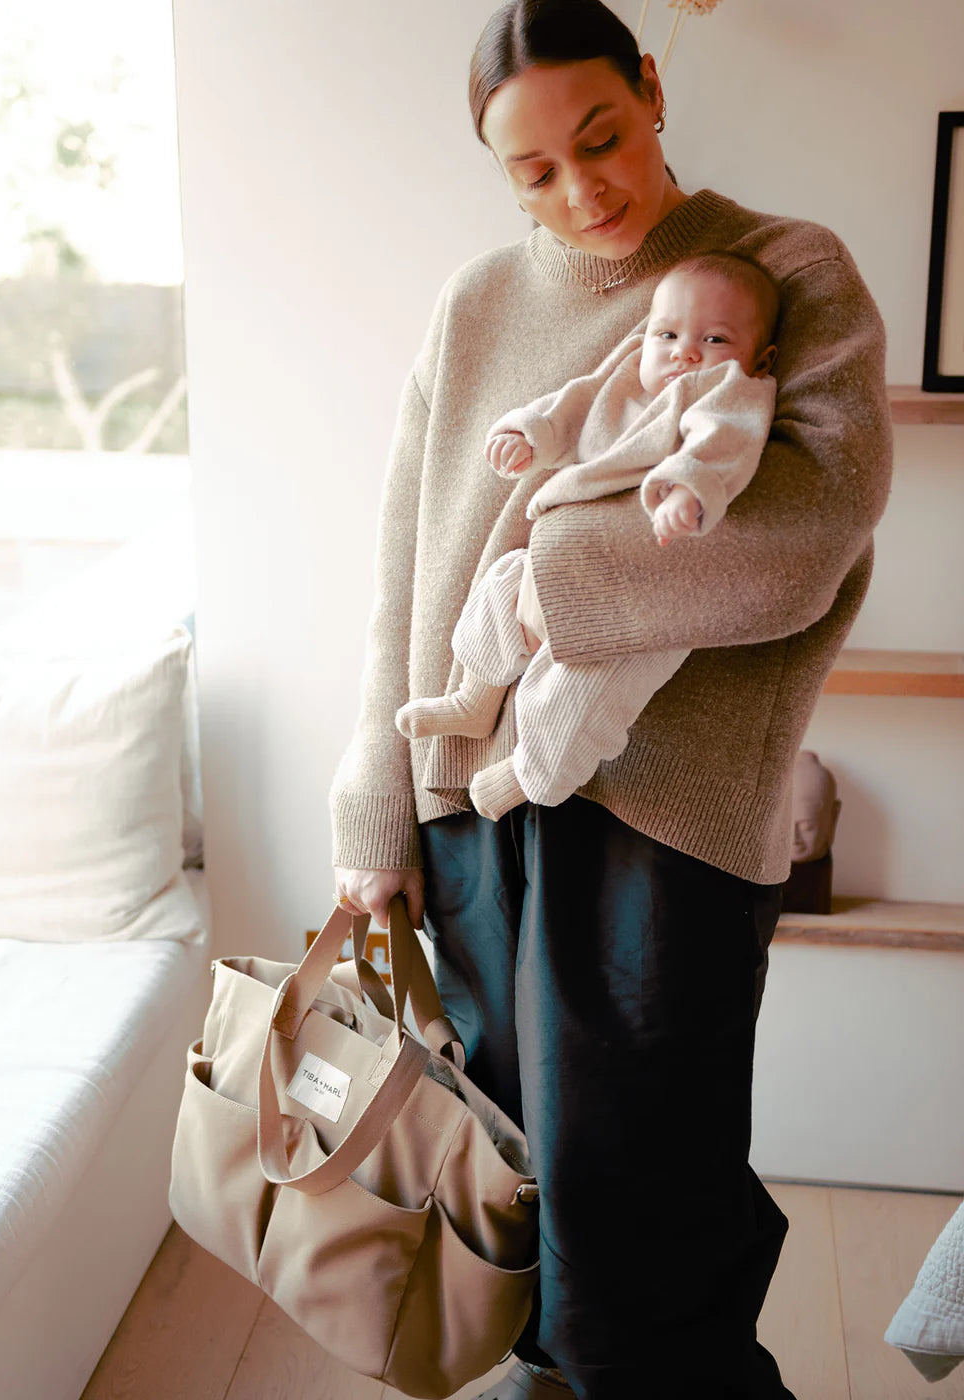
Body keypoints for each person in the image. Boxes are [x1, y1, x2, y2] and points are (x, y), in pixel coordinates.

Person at [329, 2, 892, 1396]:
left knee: (643, 1219)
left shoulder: (784, 270)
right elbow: (407, 565)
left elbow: (805, 534)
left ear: (650, 88)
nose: (583, 191)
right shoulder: (475, 304)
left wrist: (549, 578)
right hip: (472, 803)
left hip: (667, 809)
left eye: (601, 139)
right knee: (515, 1185)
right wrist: (374, 803)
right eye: (534, 171)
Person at [394, 250, 779, 822]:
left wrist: (687, 489)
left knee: (583, 693)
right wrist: (531, 434)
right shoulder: (626, 380)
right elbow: (574, 405)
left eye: (715, 338)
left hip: (641, 603)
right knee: (500, 584)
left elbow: (724, 442)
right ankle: (475, 697)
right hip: (552, 563)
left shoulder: (729, 391)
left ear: (759, 358)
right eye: (667, 334)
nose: (685, 351)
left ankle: (531, 774)